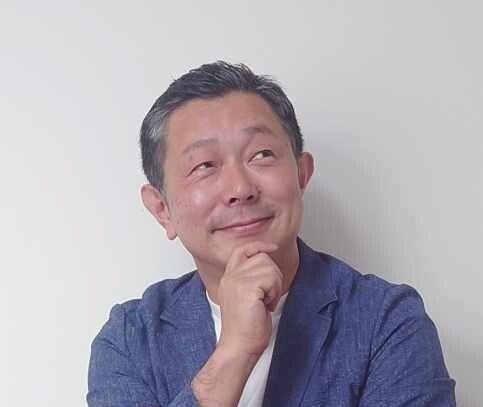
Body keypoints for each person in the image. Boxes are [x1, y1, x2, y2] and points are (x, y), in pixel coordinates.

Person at [87, 61, 456, 406]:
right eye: (204, 165)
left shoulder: (387, 320)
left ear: (301, 174)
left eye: (261, 154)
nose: (240, 188)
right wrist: (234, 352)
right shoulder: (131, 338)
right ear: (161, 208)